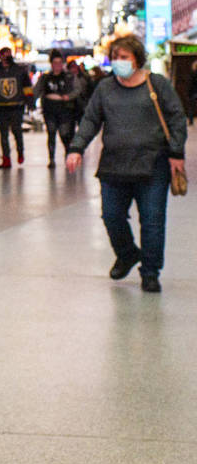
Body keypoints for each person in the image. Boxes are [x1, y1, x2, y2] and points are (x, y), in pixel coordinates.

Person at [65, 35, 187, 293]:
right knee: (111, 216)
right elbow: (90, 120)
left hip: (152, 165)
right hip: (113, 166)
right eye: (116, 58)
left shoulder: (157, 85)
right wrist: (76, 148)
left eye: (124, 58)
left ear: (137, 59)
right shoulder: (105, 89)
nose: (119, 62)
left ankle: (151, 272)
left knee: (153, 220)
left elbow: (176, 117)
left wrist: (176, 151)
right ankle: (128, 253)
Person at [0, 46, 34, 168]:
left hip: (17, 106)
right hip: (1, 107)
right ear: (1, 56)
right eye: (5, 54)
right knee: (3, 135)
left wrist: (30, 103)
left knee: (17, 132)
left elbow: (27, 88)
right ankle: (6, 159)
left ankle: (20, 152)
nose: (8, 56)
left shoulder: (20, 72)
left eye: (9, 54)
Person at [34, 49, 81, 168]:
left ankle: (67, 153)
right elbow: (37, 90)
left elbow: (77, 89)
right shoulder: (45, 78)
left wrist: (68, 97)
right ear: (51, 64)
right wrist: (31, 101)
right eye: (55, 63)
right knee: (51, 133)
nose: (57, 66)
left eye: (60, 63)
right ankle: (52, 159)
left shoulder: (69, 77)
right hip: (50, 109)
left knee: (65, 134)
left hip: (65, 110)